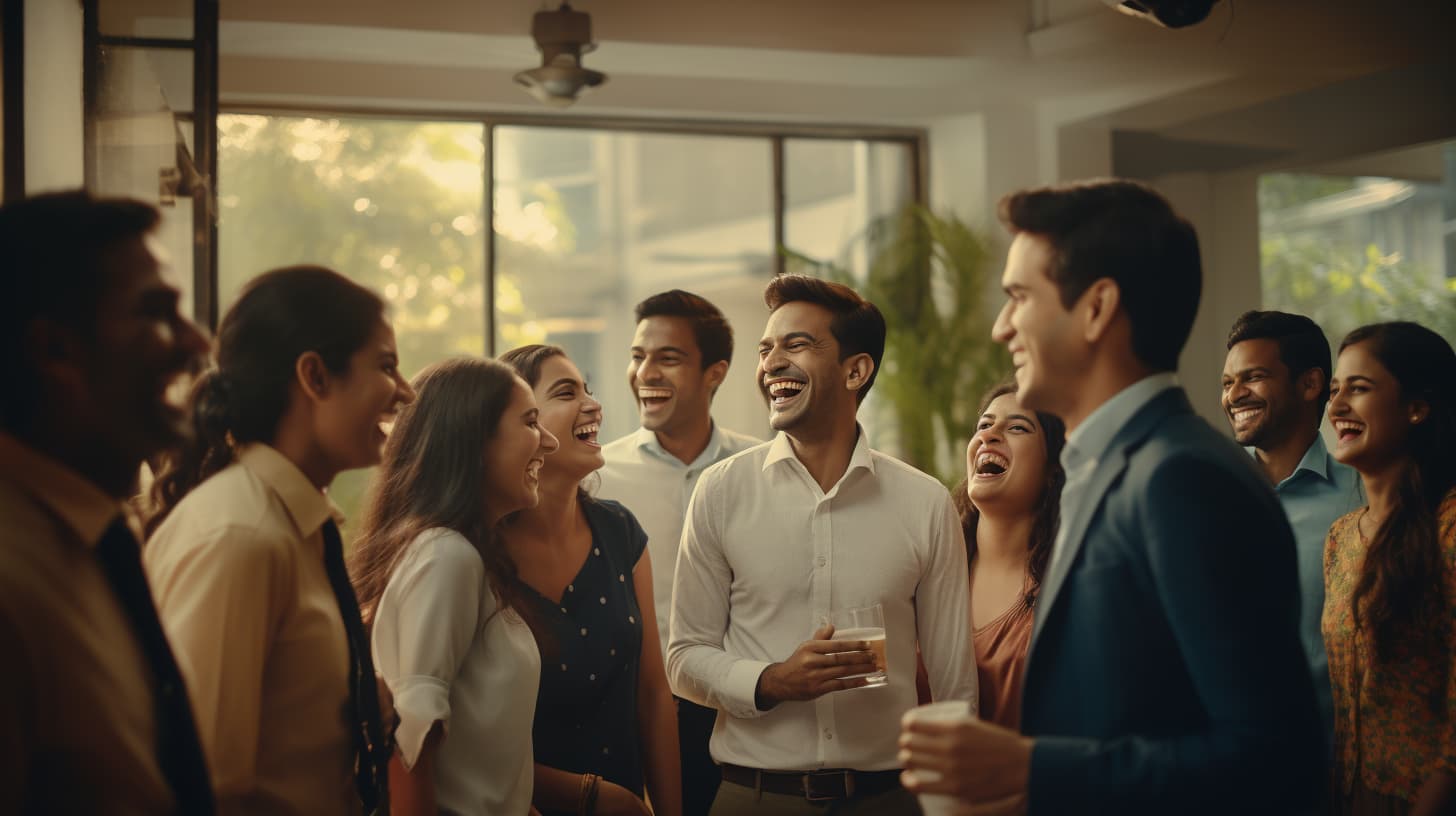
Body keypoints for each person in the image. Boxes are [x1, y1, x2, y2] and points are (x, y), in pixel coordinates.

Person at [900, 179, 1323, 815]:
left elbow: (1274, 755)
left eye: (1019, 298)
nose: (1000, 328)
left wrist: (1032, 766)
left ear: (1096, 308)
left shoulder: (1182, 477)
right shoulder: (1098, 467)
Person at [668, 274, 976, 815]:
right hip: (754, 797)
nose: (771, 364)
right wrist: (772, 681)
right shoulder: (720, 492)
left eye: (797, 345)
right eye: (766, 349)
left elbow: (956, 690)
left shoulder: (925, 503)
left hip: (887, 800)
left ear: (856, 370)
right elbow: (684, 656)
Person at [144, 266, 415, 816]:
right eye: (386, 366)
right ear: (315, 376)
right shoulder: (240, 538)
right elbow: (206, 785)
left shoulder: (294, 527)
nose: (406, 391)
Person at [0, 191, 214, 814]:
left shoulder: (96, 539)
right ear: (55, 351)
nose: (195, 341)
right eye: (157, 313)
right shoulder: (12, 579)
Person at [350, 357, 559, 815]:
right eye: (529, 422)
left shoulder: (464, 556)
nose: (550, 441)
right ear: (472, 440)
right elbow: (410, 744)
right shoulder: (446, 555)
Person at [499, 344, 682, 816]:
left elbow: (653, 693)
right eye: (566, 392)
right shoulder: (478, 550)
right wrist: (589, 796)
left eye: (589, 390)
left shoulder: (620, 531)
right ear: (523, 422)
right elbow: (459, 736)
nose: (594, 405)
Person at [597, 290, 759, 816]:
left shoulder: (761, 471)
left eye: (667, 358)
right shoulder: (596, 477)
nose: (645, 372)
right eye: (638, 355)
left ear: (715, 372)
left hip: (740, 710)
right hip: (633, 711)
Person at [1323, 321, 1456, 815]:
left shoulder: (1449, 530)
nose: (1336, 407)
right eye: (1335, 390)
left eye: (1358, 389)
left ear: (1417, 408)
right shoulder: (1340, 538)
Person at [1222, 309, 1362, 743]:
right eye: (1228, 382)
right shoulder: (1204, 491)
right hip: (1216, 771)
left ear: (1310, 384)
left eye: (1254, 377)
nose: (1235, 395)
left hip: (1329, 775)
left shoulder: (1365, 495)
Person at [951, 380, 1066, 731]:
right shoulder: (929, 563)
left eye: (1017, 427)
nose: (990, 435)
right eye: (984, 425)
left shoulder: (1068, 582)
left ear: (1052, 470)